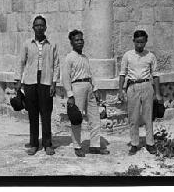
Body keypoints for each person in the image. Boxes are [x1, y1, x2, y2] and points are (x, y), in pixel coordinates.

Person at [14, 15, 59, 156]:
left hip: (46, 82)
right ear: (33, 27)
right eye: (37, 25)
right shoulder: (27, 44)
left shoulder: (52, 45)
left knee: (46, 114)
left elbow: (56, 65)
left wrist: (54, 82)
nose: (39, 27)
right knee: (32, 115)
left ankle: (47, 144)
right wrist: (18, 80)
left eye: (42, 25)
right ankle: (34, 144)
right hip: (30, 83)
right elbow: (20, 62)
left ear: (45, 27)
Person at [62, 30, 110, 157]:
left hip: (89, 87)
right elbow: (65, 78)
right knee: (77, 118)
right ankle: (77, 146)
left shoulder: (85, 57)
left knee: (95, 117)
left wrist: (95, 88)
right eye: (76, 40)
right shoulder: (69, 58)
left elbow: (90, 74)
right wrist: (70, 95)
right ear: (71, 42)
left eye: (81, 39)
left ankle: (95, 146)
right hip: (77, 87)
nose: (79, 42)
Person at [118, 30, 163, 155]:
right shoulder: (127, 55)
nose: (139, 44)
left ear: (145, 41)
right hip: (132, 87)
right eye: (137, 42)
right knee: (133, 117)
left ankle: (150, 143)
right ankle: (134, 143)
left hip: (147, 86)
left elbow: (155, 75)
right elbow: (122, 74)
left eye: (142, 42)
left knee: (148, 116)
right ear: (133, 41)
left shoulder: (150, 56)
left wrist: (158, 94)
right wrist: (120, 90)